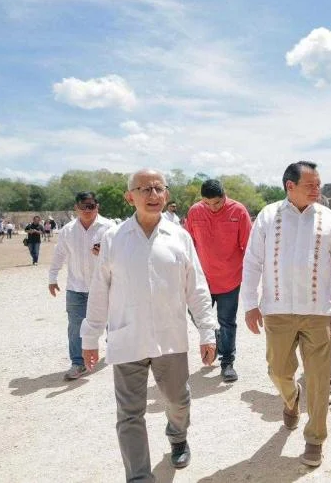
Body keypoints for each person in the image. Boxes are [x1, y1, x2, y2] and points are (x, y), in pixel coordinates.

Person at [81, 169, 218, 482]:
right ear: (130, 196)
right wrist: (89, 336)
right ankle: (139, 476)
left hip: (170, 339)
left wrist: (207, 331)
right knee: (130, 415)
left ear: (166, 195)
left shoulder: (180, 237)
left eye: (159, 188)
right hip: (127, 338)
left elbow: (196, 288)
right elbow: (100, 290)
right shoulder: (114, 239)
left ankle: (177, 434)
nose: (153, 195)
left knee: (178, 401)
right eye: (145, 189)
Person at [240, 161, 331, 467]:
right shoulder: (267, 216)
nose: (317, 190)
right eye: (310, 185)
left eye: (318, 184)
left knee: (319, 379)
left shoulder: (326, 217)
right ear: (290, 186)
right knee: (277, 370)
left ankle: (315, 438)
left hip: (317, 312)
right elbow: (252, 262)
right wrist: (250, 304)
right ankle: (291, 399)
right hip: (277, 310)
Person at [184, 179, 252, 382]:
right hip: (202, 279)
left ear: (225, 195)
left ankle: (227, 362)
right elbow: (188, 244)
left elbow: (248, 246)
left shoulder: (238, 211)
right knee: (195, 314)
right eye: (208, 203)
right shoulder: (195, 211)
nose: (213, 208)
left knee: (227, 322)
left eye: (217, 203)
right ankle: (215, 336)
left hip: (230, 278)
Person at [48, 192, 114, 380]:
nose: (87, 210)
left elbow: (122, 254)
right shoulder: (68, 230)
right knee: (76, 326)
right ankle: (78, 363)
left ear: (97, 206)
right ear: (76, 208)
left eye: (91, 206)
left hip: (106, 285)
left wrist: (106, 252)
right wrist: (52, 277)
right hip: (76, 287)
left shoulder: (110, 228)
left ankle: (115, 349)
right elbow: (59, 254)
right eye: (83, 206)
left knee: (113, 321)